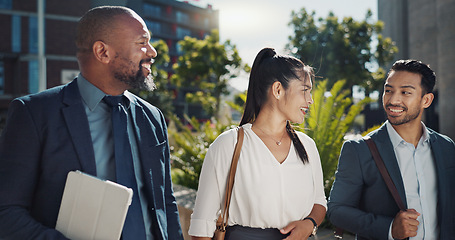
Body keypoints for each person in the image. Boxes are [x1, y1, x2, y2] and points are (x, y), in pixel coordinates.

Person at [0, 6, 183, 240]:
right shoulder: (34, 114)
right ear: (102, 52)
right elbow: (7, 212)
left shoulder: (153, 117)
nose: (153, 52)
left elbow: (165, 202)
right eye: (142, 42)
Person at [188, 48, 327, 240]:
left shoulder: (307, 146)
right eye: (305, 91)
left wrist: (309, 224)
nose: (310, 100)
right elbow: (202, 227)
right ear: (278, 90)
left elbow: (320, 202)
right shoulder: (229, 145)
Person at [327, 59, 455, 240]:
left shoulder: (446, 147)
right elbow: (337, 210)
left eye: (405, 92)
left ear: (426, 100)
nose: (393, 100)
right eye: (388, 91)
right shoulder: (359, 150)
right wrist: (388, 228)